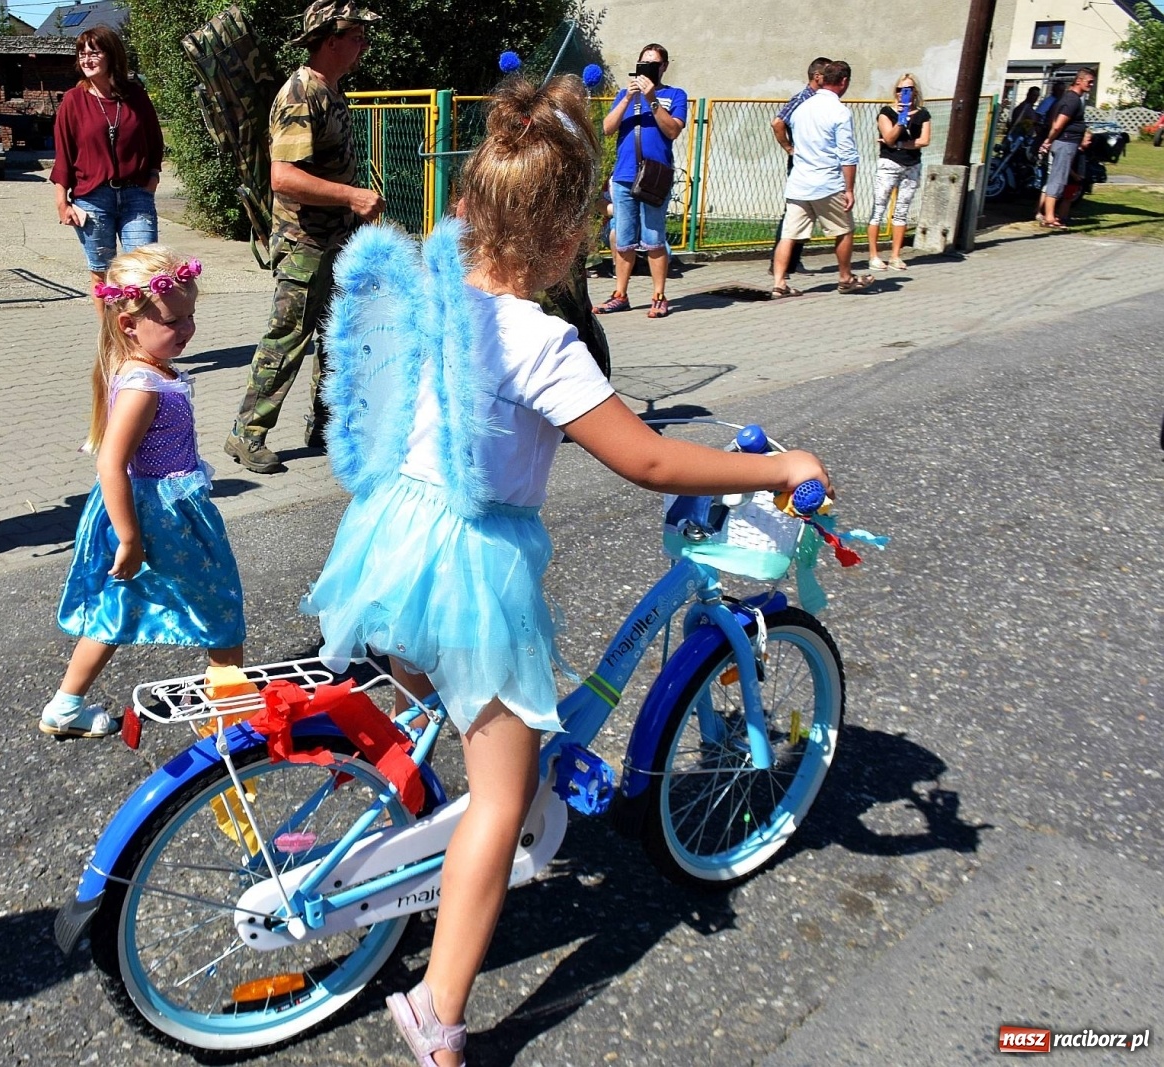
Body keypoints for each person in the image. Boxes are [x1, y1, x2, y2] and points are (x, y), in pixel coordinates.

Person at [301, 75, 830, 1067]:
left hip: (387, 539)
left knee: (439, 720)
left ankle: (399, 836)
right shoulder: (544, 341)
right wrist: (780, 465)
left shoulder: (435, 304)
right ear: (565, 242)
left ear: (462, 209)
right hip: (468, 564)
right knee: (506, 787)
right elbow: (650, 460)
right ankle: (439, 1010)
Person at [40, 246, 245, 738]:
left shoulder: (145, 369)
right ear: (130, 325)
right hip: (163, 514)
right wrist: (129, 538)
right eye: (174, 320)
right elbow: (110, 461)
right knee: (220, 606)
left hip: (155, 507)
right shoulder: (144, 385)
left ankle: (66, 706)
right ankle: (232, 719)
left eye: (191, 315)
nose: (188, 328)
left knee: (121, 601)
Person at [222, 0, 384, 476]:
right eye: (356, 36)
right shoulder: (300, 93)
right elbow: (283, 177)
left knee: (339, 334)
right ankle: (246, 433)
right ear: (330, 39)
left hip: (335, 239)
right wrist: (352, 196)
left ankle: (326, 423)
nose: (363, 46)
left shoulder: (331, 89)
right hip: (305, 243)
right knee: (287, 337)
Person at [50, 24, 165, 303]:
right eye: (81, 54)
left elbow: (154, 138)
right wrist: (62, 203)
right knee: (102, 274)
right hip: (92, 199)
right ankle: (111, 343)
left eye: (94, 52)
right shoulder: (73, 101)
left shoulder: (135, 96)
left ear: (111, 55)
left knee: (143, 269)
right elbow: (64, 154)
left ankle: (137, 340)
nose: (86, 59)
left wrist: (153, 175)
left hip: (136, 194)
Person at [593, 43, 687, 319]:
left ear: (663, 67)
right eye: (643, 64)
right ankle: (620, 294)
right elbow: (607, 129)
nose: (647, 69)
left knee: (654, 239)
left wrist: (652, 99)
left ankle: (659, 296)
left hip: (654, 176)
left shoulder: (675, 95)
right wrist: (628, 98)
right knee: (623, 240)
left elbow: (672, 131)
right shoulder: (625, 95)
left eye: (653, 64)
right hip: (623, 177)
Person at [768, 60, 869, 298]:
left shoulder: (802, 107)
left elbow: (781, 125)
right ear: (844, 82)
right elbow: (847, 154)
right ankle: (845, 278)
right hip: (827, 182)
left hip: (799, 182)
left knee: (789, 235)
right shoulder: (839, 111)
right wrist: (850, 189)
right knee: (844, 230)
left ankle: (779, 283)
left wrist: (789, 148)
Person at [768, 57, 831, 278]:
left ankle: (793, 262)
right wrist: (789, 147)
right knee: (794, 212)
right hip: (801, 163)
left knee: (807, 213)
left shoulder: (822, 100)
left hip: (816, 163)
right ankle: (779, 264)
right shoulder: (803, 98)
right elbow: (777, 123)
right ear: (817, 77)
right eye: (828, 74)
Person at [866, 74, 931, 271]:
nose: (905, 94)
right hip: (889, 164)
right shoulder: (887, 112)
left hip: (911, 166)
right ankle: (873, 256)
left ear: (915, 92)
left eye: (909, 89)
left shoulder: (922, 114)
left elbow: (924, 140)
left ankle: (895, 256)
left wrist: (902, 144)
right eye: (901, 90)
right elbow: (889, 137)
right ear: (895, 92)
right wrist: (901, 120)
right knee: (879, 209)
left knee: (901, 211)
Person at [1036, 68, 1094, 230]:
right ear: (1079, 81)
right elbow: (1058, 124)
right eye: (1089, 81)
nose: (1091, 84)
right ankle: (1049, 217)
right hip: (1065, 143)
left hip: (1065, 143)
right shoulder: (1072, 100)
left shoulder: (1071, 99)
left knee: (1059, 179)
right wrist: (1048, 141)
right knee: (1058, 180)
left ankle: (1051, 215)